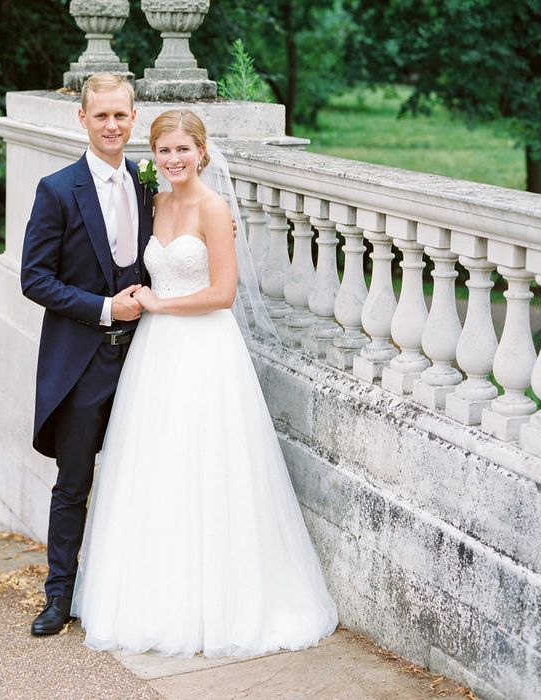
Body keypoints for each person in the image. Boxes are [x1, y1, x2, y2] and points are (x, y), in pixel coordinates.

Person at [72, 109, 338, 657]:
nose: (173, 160)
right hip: (156, 354)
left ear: (202, 152)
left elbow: (222, 293)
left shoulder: (215, 210)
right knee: (157, 464)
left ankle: (220, 604)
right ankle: (153, 598)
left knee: (208, 465)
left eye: (183, 151)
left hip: (204, 349)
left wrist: (161, 304)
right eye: (164, 151)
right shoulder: (153, 202)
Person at [20, 73, 153, 636]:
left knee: (143, 476)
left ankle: (134, 592)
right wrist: (104, 307)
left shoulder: (149, 185)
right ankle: (58, 597)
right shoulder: (57, 188)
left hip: (147, 360)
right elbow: (35, 279)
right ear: (82, 119)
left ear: (133, 116)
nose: (112, 125)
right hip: (82, 362)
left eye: (121, 115)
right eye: (101, 116)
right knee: (74, 483)